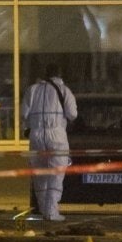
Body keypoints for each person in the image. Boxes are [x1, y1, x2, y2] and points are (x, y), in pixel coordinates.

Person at [21, 63, 77, 221]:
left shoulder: (32, 90)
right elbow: (73, 114)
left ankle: (44, 210)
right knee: (56, 174)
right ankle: (52, 212)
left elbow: (23, 114)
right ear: (60, 75)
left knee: (40, 174)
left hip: (36, 135)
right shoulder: (64, 90)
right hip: (57, 136)